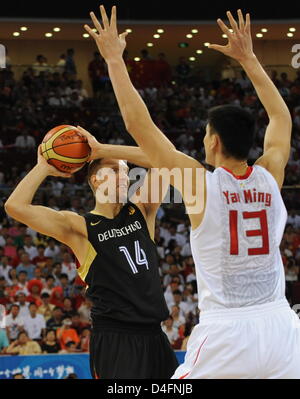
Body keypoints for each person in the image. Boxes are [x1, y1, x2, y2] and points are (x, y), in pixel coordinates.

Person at [85, 7, 300, 378]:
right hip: (282, 326)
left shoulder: (200, 182)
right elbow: (281, 119)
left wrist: (113, 59)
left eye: (204, 134)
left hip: (229, 332)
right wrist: (249, 59)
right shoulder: (270, 174)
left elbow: (140, 126)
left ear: (213, 141)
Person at [5, 111, 178, 378]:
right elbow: (15, 207)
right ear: (96, 179)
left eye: (126, 171)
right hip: (116, 338)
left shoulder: (142, 209)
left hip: (156, 334)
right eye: (115, 170)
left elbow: (167, 158)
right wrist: (44, 167)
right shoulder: (80, 227)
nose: (125, 175)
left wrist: (103, 149)